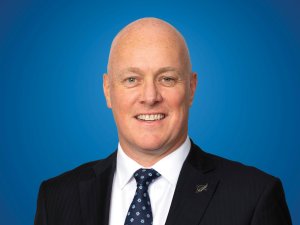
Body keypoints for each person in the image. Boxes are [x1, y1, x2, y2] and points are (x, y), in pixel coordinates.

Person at [34, 17, 292, 225]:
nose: (150, 97)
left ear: (191, 88)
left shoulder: (254, 196)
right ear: (107, 90)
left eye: (167, 78)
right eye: (131, 79)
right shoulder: (56, 197)